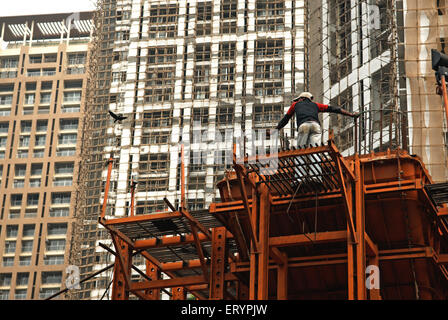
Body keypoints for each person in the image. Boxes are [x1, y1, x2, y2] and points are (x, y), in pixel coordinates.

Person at [275, 92, 359, 147]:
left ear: (302, 98)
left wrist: (276, 130)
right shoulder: (316, 105)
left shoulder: (295, 105)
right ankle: (315, 173)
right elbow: (334, 109)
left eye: (298, 99)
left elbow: (286, 119)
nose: (298, 101)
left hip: (303, 126)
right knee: (315, 151)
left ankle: (299, 174)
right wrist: (351, 114)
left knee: (301, 150)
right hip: (316, 126)